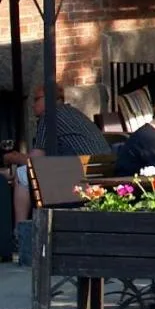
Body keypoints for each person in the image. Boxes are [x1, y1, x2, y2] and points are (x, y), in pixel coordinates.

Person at [3, 83, 113, 224]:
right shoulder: (74, 113)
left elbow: (34, 161)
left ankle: (20, 232)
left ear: (49, 99)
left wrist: (12, 157)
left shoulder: (49, 116)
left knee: (22, 174)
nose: (32, 105)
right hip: (99, 177)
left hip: (76, 181)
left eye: (36, 99)